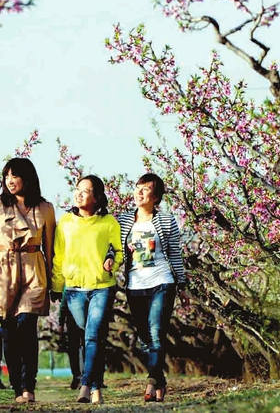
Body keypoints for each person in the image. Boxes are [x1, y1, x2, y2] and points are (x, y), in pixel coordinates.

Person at [0, 158, 56, 403]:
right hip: (3, 271)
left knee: (26, 325)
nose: (10, 181)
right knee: (9, 334)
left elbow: (50, 249)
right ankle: (16, 387)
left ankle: (29, 386)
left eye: (15, 175)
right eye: (6, 176)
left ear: (28, 178)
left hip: (33, 268)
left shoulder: (45, 208)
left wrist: (54, 283)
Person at [115, 172, 188, 403]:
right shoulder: (124, 220)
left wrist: (182, 285)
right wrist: (115, 255)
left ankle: (151, 381)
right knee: (146, 337)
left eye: (146, 189)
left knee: (156, 334)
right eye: (138, 187)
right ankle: (161, 381)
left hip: (162, 281)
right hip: (135, 285)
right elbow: (113, 248)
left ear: (156, 197)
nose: (139, 192)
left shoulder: (166, 220)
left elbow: (175, 254)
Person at [50, 175, 122, 405]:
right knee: (91, 338)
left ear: (97, 197)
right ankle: (96, 385)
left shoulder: (109, 222)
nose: (79, 193)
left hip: (102, 287)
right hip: (74, 290)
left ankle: (85, 386)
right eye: (77, 189)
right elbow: (58, 257)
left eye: (86, 191)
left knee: (92, 336)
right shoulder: (66, 222)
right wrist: (56, 285)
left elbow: (118, 251)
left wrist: (113, 263)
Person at [57, 291, 83, 390]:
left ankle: (82, 377)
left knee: (79, 349)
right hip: (72, 321)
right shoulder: (69, 285)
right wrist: (61, 322)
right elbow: (64, 304)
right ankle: (76, 375)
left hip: (81, 320)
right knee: (74, 350)